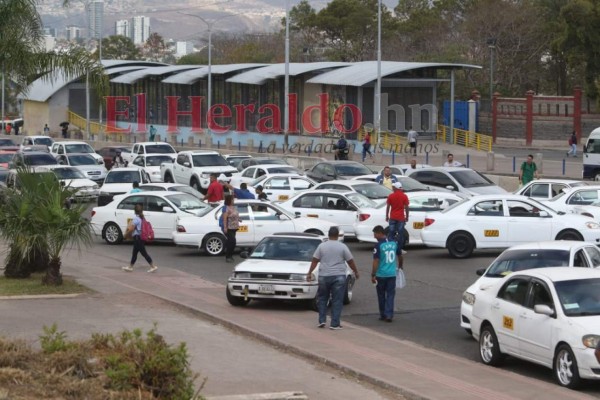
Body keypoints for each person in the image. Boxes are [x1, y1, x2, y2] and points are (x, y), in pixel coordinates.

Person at [306, 227, 360, 330]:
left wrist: (309, 272)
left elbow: (315, 260)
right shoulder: (342, 247)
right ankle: (334, 323)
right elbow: (350, 261)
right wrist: (355, 272)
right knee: (337, 300)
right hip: (338, 276)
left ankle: (322, 320)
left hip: (324, 276)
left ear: (328, 234)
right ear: (338, 235)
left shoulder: (321, 246)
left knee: (322, 298)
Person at [371, 225, 402, 322]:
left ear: (380, 233)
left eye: (375, 234)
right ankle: (389, 314)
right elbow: (400, 255)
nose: (374, 236)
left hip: (381, 274)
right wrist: (400, 266)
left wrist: (373, 274)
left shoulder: (378, 245)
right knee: (390, 294)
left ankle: (383, 314)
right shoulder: (394, 243)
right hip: (392, 274)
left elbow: (376, 260)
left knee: (381, 295)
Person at [123, 203, 157, 273]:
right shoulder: (142, 218)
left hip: (138, 238)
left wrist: (126, 234)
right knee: (134, 253)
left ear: (135, 211)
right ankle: (130, 267)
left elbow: (131, 229)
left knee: (144, 253)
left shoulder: (136, 219)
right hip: (140, 238)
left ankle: (153, 266)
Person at [386, 181, 409, 249]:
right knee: (400, 234)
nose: (392, 188)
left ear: (395, 188)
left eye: (393, 187)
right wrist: (407, 216)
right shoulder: (404, 196)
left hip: (392, 217)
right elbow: (407, 207)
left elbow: (388, 207)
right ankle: (399, 249)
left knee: (391, 233)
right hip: (401, 218)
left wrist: (387, 216)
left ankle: (391, 247)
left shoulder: (391, 196)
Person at [222, 195, 240, 263]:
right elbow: (225, 218)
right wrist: (225, 227)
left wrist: (239, 219)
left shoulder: (234, 207)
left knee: (231, 242)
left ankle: (230, 255)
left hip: (235, 227)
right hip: (229, 227)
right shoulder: (226, 208)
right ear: (229, 200)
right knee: (232, 241)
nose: (233, 201)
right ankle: (228, 256)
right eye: (232, 200)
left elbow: (236, 215)